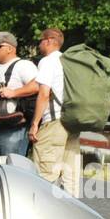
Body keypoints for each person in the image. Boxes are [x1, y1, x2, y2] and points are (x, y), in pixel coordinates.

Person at [26, 27, 81, 196]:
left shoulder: (48, 61)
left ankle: (43, 215)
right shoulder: (70, 62)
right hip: (72, 123)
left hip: (54, 123)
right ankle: (73, 215)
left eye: (40, 41)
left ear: (49, 41)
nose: (40, 45)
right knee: (70, 179)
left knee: (45, 176)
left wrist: (35, 124)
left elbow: (43, 93)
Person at [0, 31, 38, 159]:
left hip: (14, 129)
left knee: (12, 168)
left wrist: (14, 92)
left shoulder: (24, 65)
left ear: (9, 49)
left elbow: (37, 85)